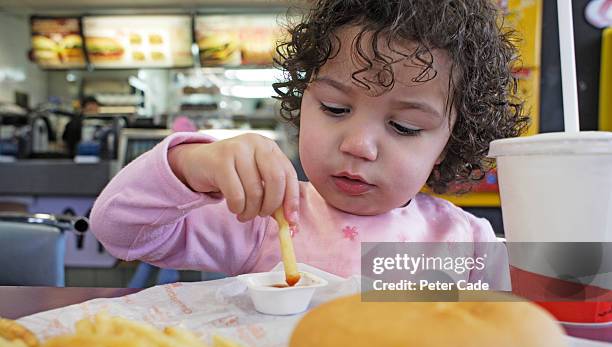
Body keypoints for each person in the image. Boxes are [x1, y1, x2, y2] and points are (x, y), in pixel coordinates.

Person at [90, 0, 527, 288]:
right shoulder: (263, 216)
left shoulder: (467, 243)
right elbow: (119, 230)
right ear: (303, 101)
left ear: (450, 144)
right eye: (335, 109)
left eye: (405, 127)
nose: (359, 145)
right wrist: (190, 164)